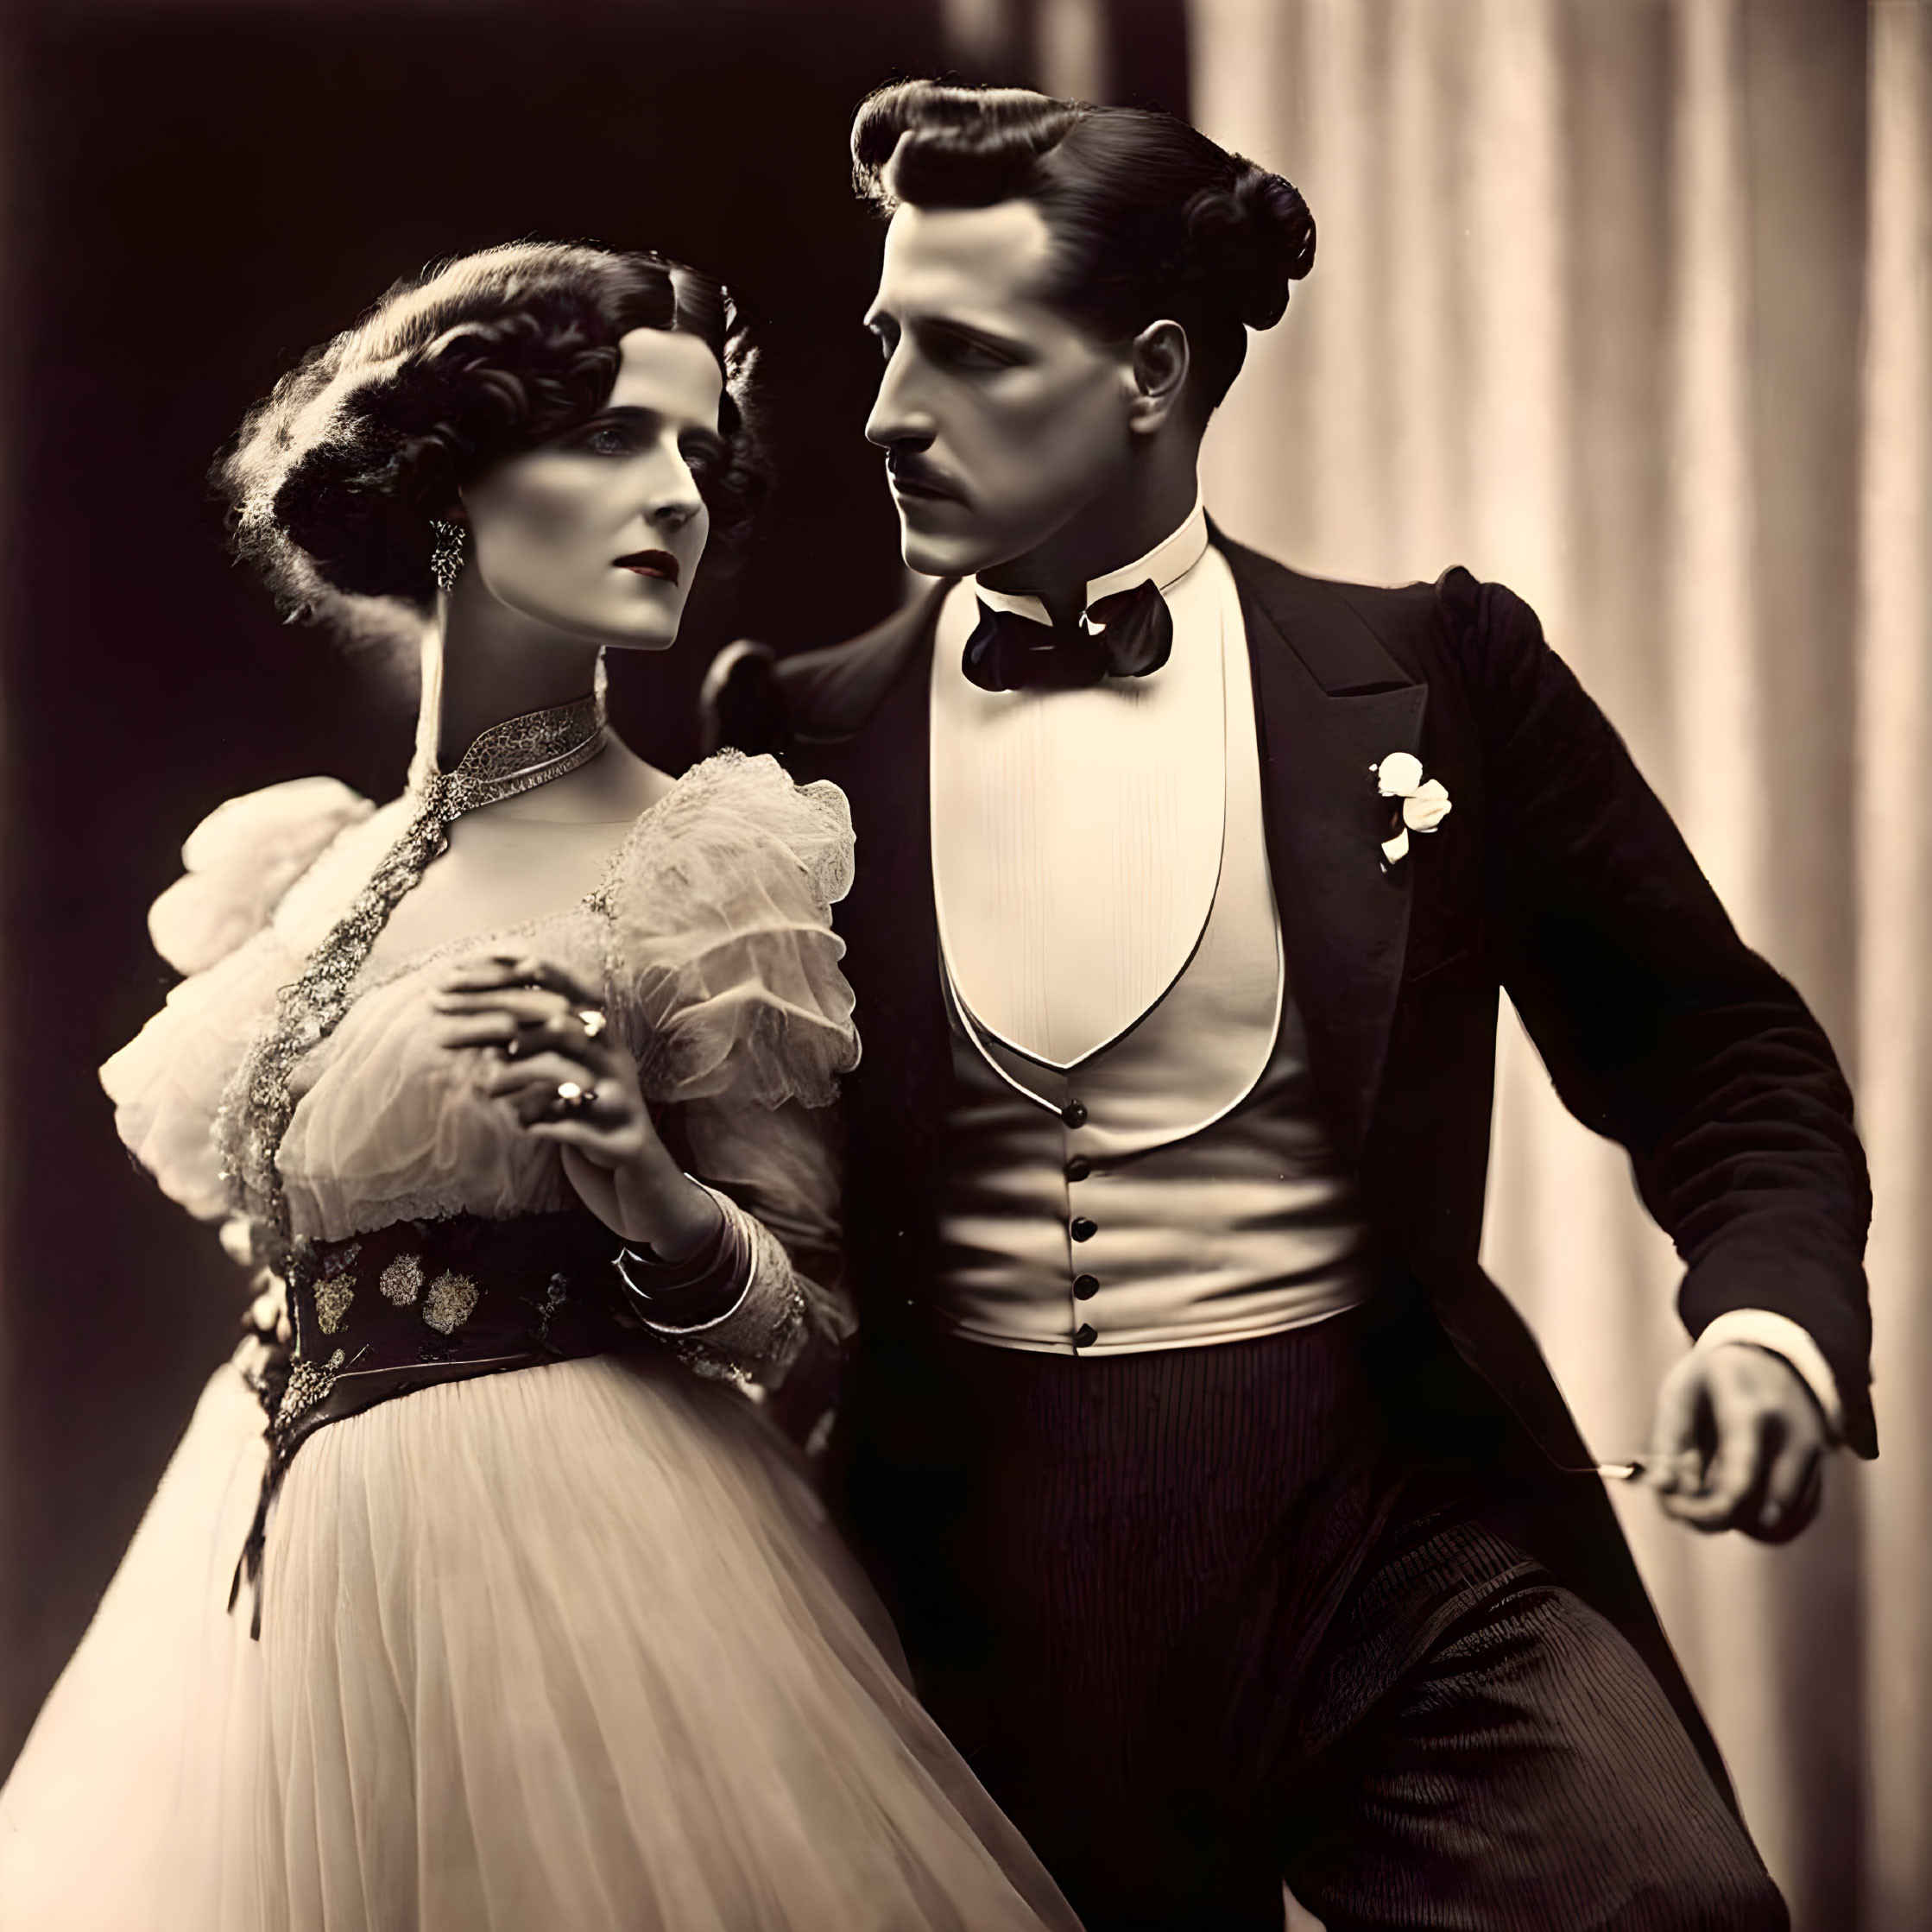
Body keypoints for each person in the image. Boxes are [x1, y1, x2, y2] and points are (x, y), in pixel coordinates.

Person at [702, 82, 1873, 1931]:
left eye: (967, 352)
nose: (887, 416)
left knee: (1676, 1909)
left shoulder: (1433, 675)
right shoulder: (793, 734)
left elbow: (1718, 1050)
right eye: (882, 341)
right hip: (976, 1568)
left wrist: (1767, 1326)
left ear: (1151, 373)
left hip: (1384, 1525)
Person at [0, 240, 1079, 1932]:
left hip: (572, 1562)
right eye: (610, 439)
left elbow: (815, 1324)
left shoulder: (697, 864)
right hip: (268, 1570)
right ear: (450, 480)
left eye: (696, 455)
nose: (675, 495)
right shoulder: (307, 871)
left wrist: (651, 1190)